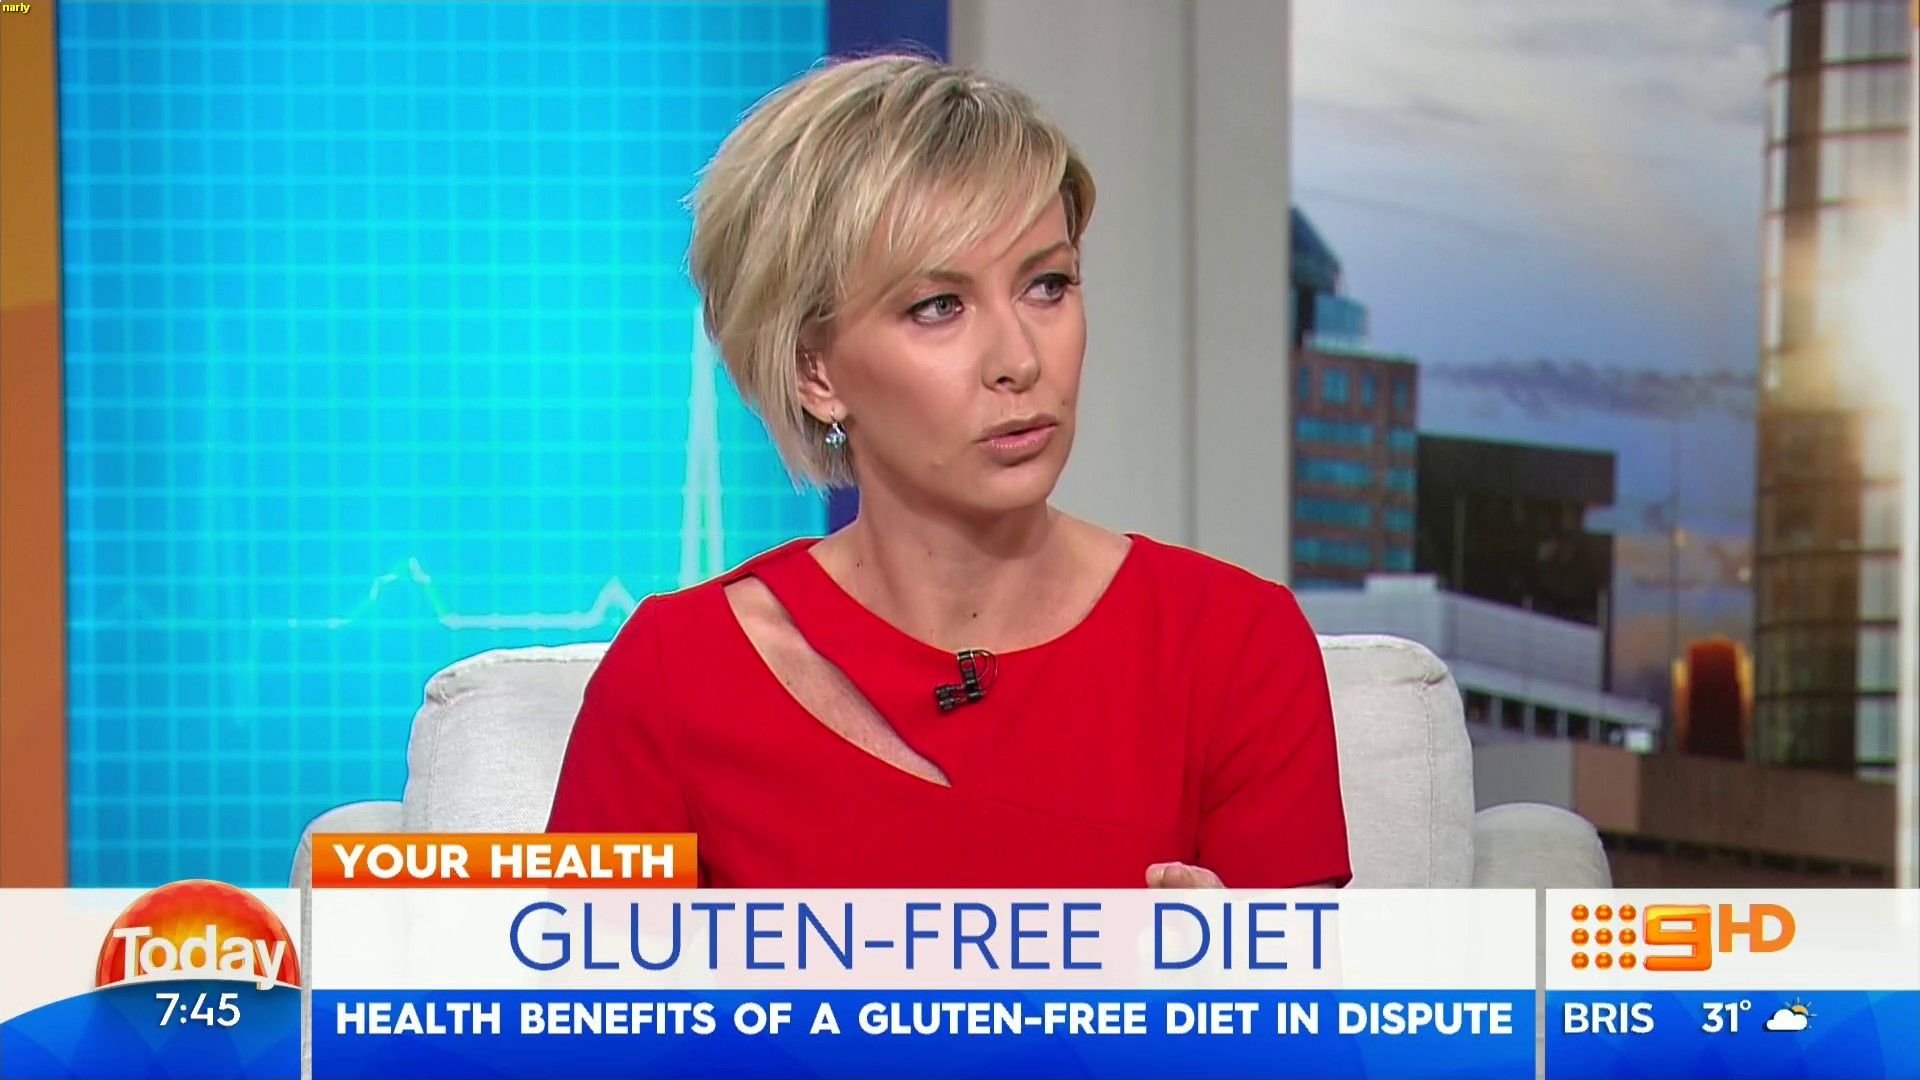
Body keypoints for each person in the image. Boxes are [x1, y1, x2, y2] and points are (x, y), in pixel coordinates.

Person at [546, 54, 1350, 890]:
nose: (1020, 360)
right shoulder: (676, 679)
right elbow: (569, 977)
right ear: (815, 371)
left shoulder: (1234, 650)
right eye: (939, 306)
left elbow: (1307, 979)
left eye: (1048, 285)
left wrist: (1233, 967)